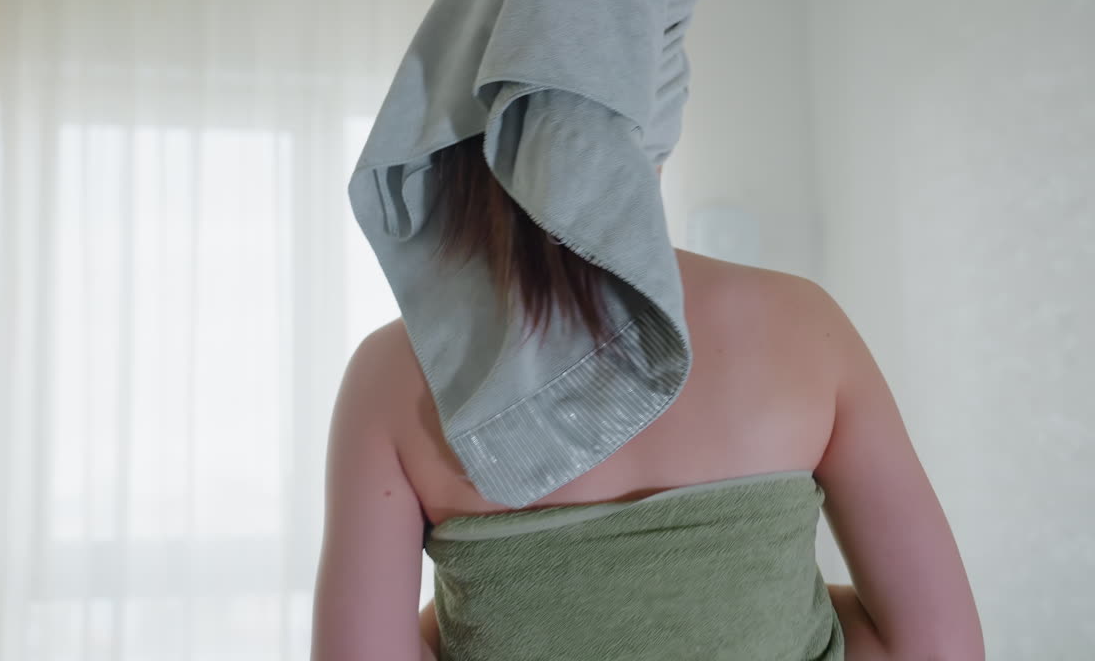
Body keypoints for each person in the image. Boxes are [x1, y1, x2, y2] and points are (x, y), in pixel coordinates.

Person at [311, 130, 984, 660]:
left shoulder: (393, 372)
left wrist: (494, 610)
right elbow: (937, 650)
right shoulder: (804, 323)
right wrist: (747, 601)